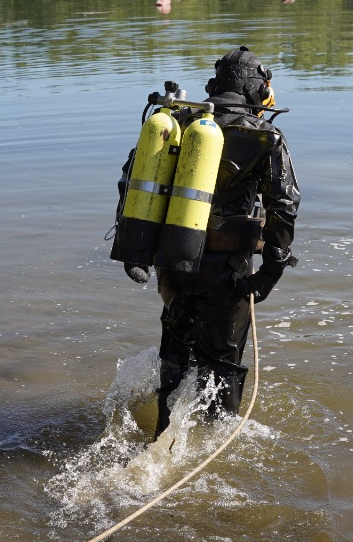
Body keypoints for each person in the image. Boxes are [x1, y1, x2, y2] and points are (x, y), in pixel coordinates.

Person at [117, 47, 301, 436]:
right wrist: (270, 271)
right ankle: (217, 446)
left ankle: (161, 434)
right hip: (226, 271)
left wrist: (137, 252)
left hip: (172, 261)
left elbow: (132, 179)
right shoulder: (264, 135)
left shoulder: (179, 119)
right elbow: (284, 205)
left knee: (175, 351)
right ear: (257, 89)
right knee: (223, 363)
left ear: (215, 84)